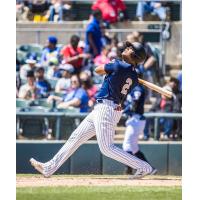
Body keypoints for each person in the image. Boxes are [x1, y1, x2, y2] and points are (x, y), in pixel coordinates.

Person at [30, 41, 157, 179]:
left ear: (135, 55)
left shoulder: (120, 65)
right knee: (76, 138)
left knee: (107, 148)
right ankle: (49, 167)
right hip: (107, 107)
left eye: (130, 48)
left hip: (107, 108)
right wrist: (115, 66)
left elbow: (97, 70)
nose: (126, 48)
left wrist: (112, 64)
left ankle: (143, 166)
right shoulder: (132, 75)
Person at [122, 69, 157, 175]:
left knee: (127, 146)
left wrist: (123, 111)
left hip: (136, 119)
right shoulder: (133, 88)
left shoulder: (137, 88)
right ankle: (150, 168)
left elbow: (133, 105)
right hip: (134, 119)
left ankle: (131, 169)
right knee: (133, 147)